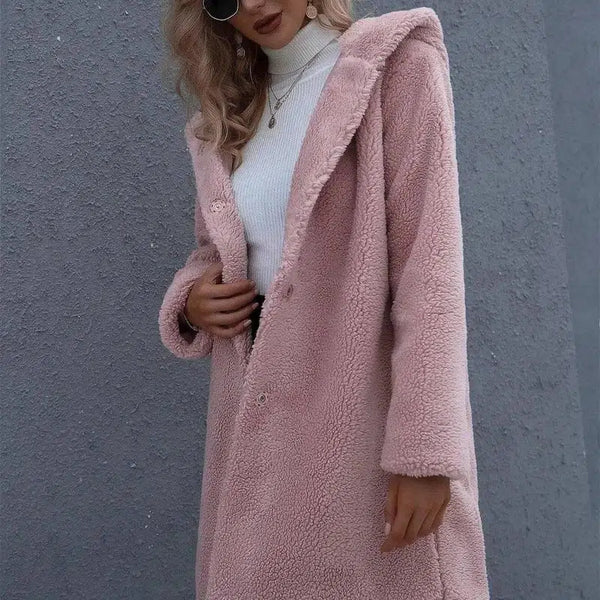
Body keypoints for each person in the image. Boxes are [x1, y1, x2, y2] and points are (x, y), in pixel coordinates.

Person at [159, 2, 490, 599]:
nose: (255, 4)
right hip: (258, 424)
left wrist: (426, 451)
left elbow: (430, 269)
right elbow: (220, 248)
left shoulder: (392, 67)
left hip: (362, 419)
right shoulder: (226, 121)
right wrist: (192, 300)